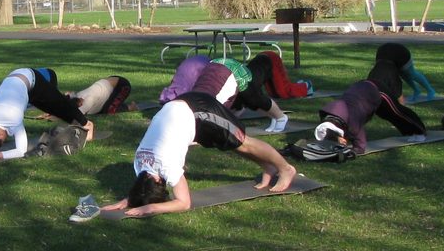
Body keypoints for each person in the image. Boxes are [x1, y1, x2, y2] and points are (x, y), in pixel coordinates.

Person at [100, 91, 298, 217]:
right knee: (231, 144)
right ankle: (268, 166)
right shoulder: (139, 165)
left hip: (198, 109)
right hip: (183, 114)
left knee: (242, 142)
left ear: (161, 182)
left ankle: (286, 168)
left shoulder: (167, 166)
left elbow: (184, 203)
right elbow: (142, 187)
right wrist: (129, 201)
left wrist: (150, 208)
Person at [0, 67, 94, 163]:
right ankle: (68, 97)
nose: (5, 141)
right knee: (54, 108)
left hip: (32, 79)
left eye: (3, 141)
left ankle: (87, 124)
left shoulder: (13, 118)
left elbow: (22, 150)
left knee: (60, 106)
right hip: (17, 80)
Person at [313, 59, 426, 155]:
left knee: (397, 112)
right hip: (362, 94)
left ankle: (419, 131)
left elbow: (360, 144)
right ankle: (408, 132)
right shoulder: (329, 117)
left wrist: (354, 150)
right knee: (385, 114)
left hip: (375, 89)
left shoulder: (352, 121)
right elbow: (335, 131)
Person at [229, 52, 311, 132]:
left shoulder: (246, 90)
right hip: (262, 62)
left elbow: (254, 104)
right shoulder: (241, 92)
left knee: (283, 92)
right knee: (273, 94)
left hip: (271, 59)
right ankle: (275, 117)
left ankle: (306, 86)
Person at [68, 76, 134, 116]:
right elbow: (69, 94)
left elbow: (78, 114)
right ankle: (119, 103)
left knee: (110, 111)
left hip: (122, 86)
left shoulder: (88, 100)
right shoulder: (77, 95)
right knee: (104, 108)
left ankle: (131, 107)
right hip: (111, 81)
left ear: (79, 104)